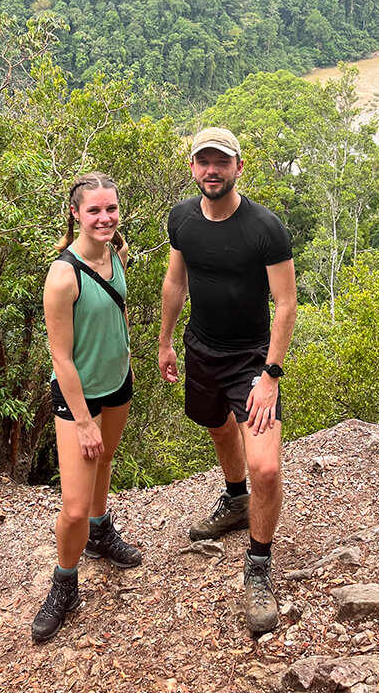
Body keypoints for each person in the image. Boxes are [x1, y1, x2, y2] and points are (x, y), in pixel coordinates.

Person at [158, 128, 297, 633]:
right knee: (215, 424)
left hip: (251, 360)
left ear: (239, 166)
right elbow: (177, 280)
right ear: (193, 167)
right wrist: (166, 341)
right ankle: (235, 500)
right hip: (200, 348)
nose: (211, 170)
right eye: (203, 162)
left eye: (221, 161)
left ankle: (258, 568)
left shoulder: (265, 228)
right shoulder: (182, 219)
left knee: (267, 468)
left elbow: (286, 303)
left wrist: (271, 375)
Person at [31, 172, 141, 644]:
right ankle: (64, 583)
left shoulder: (115, 255)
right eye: (94, 210)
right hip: (79, 398)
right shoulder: (63, 275)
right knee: (72, 507)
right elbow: (61, 357)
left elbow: (116, 314)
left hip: (118, 382)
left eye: (111, 209)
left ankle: (100, 532)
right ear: (75, 212)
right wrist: (82, 421)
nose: (105, 217)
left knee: (106, 462)